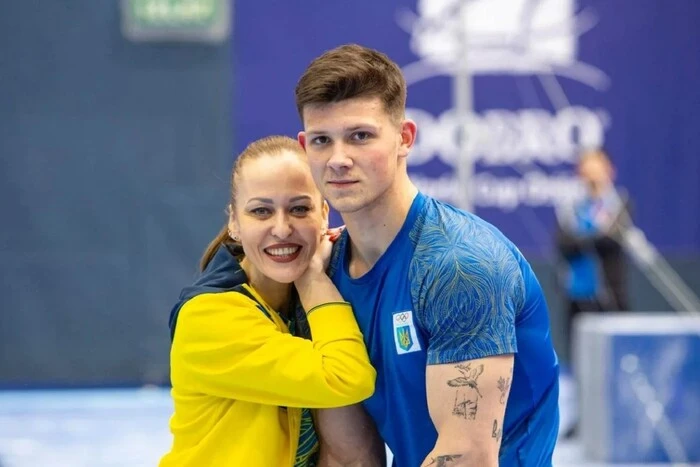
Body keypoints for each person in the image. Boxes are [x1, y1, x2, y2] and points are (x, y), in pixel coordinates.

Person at [294, 44, 560, 466]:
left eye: (360, 136)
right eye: (323, 141)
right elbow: (350, 453)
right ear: (304, 146)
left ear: (404, 138)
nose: (339, 159)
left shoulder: (460, 266)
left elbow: (466, 458)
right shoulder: (326, 269)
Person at [159, 135, 380, 466]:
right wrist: (313, 278)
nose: (282, 228)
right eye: (261, 211)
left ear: (324, 214)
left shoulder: (312, 298)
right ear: (234, 222)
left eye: (299, 209)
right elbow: (346, 376)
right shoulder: (207, 318)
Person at [555, 148, 631, 350]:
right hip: (576, 296)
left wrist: (582, 240)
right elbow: (563, 244)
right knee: (579, 353)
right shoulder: (571, 208)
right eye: (587, 168)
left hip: (610, 294)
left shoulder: (619, 203)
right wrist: (593, 237)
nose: (591, 174)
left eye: (597, 167)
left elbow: (612, 241)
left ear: (609, 170)